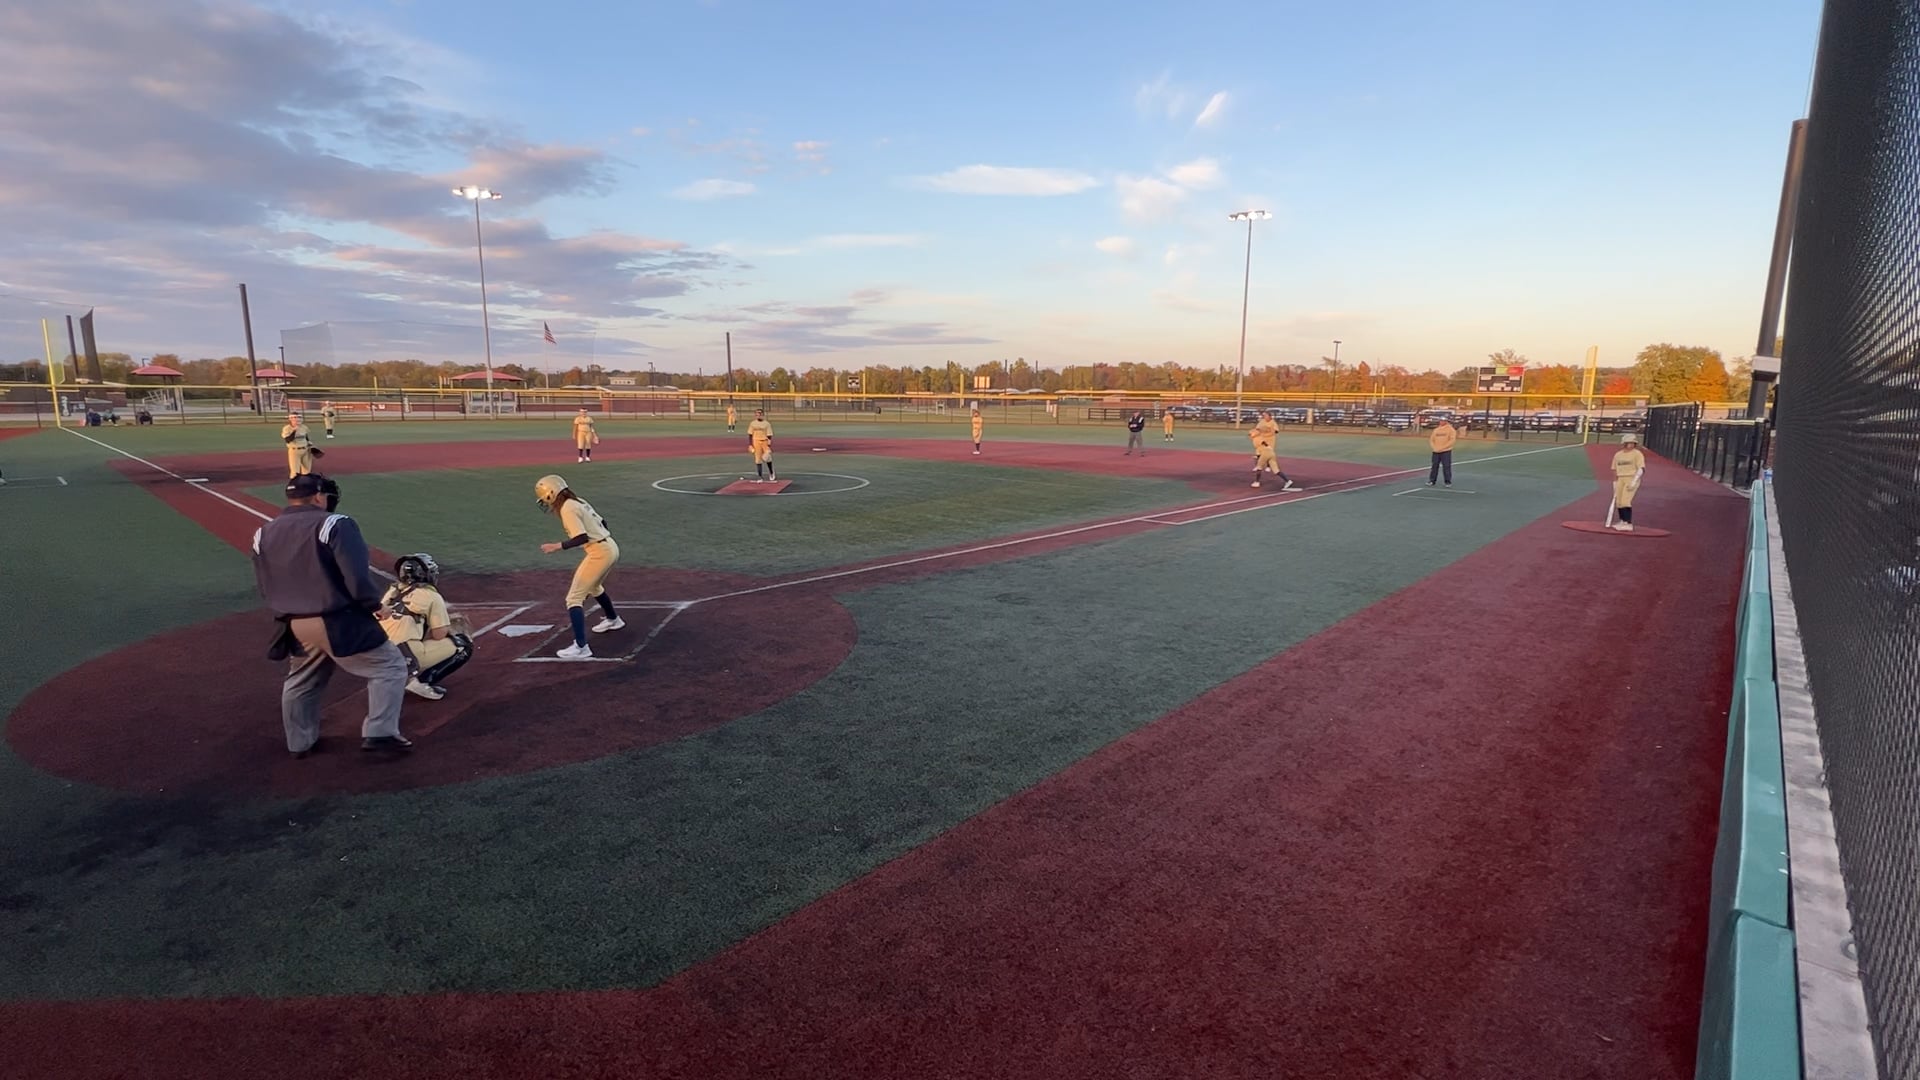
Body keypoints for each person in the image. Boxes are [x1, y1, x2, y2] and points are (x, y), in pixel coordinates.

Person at [252, 473, 412, 756]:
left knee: (302, 680)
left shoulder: (264, 532)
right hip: (336, 620)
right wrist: (375, 605)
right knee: (389, 667)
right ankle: (381, 734)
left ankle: (299, 743)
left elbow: (265, 584)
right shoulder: (334, 523)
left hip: (292, 623)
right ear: (318, 497)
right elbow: (355, 575)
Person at [535, 474, 624, 659]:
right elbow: (603, 522)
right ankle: (613, 620)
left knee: (573, 598)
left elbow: (581, 537)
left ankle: (581, 647)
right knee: (594, 587)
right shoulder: (578, 501)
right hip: (610, 546)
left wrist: (556, 546)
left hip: (600, 553)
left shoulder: (567, 508)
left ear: (551, 494)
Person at [378, 553, 474, 701]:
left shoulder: (392, 592)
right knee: (463, 644)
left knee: (414, 630)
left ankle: (397, 677)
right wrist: (449, 625)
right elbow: (439, 634)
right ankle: (420, 682)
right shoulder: (431, 596)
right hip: (403, 655)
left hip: (377, 653)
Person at [1249, 412, 1298, 490]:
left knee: (1259, 467)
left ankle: (1257, 482)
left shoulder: (1256, 439)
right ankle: (1287, 481)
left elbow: (1263, 442)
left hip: (1265, 453)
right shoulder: (1259, 435)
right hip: (1271, 452)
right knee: (1276, 470)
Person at [1610, 433, 1647, 532]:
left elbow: (1641, 468)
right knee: (1619, 502)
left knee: (1625, 501)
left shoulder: (1637, 454)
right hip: (1620, 479)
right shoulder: (1618, 455)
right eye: (1628, 443)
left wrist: (1634, 481)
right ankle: (1622, 521)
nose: (1630, 445)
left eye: (1632, 443)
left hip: (1631, 478)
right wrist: (1614, 482)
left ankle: (1628, 523)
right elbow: (1614, 469)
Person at [281, 411, 320, 478]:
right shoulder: (287, 428)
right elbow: (288, 440)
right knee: (295, 472)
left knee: (307, 471)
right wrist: (294, 431)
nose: (297, 419)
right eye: (295, 417)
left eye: (299, 417)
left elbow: (305, 436)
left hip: (306, 450)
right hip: (294, 451)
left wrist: (309, 443)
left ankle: (305, 483)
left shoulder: (304, 427)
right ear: (290, 419)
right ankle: (294, 483)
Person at [1427, 418, 1458, 487]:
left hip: (1446, 451)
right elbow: (1432, 440)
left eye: (1443, 421)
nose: (1441, 422)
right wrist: (1434, 447)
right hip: (1436, 451)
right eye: (1441, 420)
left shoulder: (1451, 430)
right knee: (1434, 466)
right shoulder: (1436, 430)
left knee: (1446, 466)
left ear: (1446, 421)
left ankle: (1447, 482)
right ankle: (1432, 481)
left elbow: (1452, 441)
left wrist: (1442, 448)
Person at [748, 409, 776, 481]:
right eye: (756, 415)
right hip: (756, 441)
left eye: (759, 414)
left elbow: (769, 435)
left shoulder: (767, 424)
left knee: (767, 458)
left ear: (762, 415)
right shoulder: (752, 423)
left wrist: (768, 445)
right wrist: (750, 444)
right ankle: (760, 476)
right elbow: (750, 434)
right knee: (758, 459)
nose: (758, 416)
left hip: (765, 441)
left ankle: (771, 472)